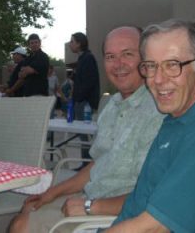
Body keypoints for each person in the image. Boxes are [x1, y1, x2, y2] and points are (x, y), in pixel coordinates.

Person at [9, 26, 165, 233]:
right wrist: (52, 192)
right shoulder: (111, 106)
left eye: (128, 54)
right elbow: (98, 164)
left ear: (146, 59)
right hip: (91, 198)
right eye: (110, 56)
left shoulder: (160, 109)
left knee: (20, 226)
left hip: (119, 215)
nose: (118, 64)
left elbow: (157, 196)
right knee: (27, 208)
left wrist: (90, 206)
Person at [108, 19, 195, 232]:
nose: (157, 79)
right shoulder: (178, 118)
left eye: (172, 65)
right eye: (151, 66)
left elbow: (152, 228)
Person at [69, 32, 100, 167]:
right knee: (81, 134)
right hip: (80, 101)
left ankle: (87, 165)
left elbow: (89, 81)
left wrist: (79, 97)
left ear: (79, 43)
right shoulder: (82, 59)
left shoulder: (88, 58)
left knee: (84, 134)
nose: (70, 44)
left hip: (84, 103)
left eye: (72, 42)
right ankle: (84, 163)